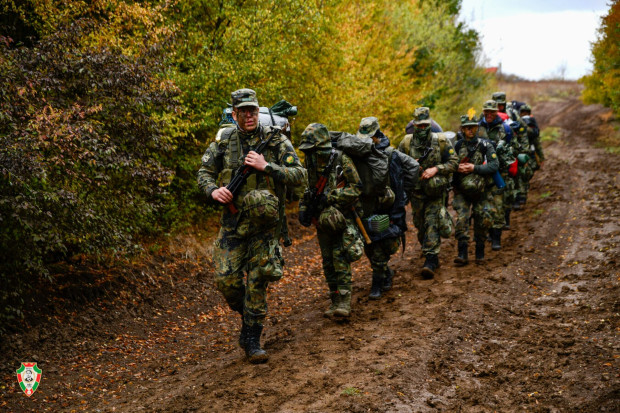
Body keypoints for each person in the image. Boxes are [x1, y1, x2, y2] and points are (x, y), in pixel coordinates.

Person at [197, 88, 305, 363]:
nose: (248, 115)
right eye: (243, 111)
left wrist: (266, 166)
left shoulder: (275, 141)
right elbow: (204, 173)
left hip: (265, 225)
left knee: (258, 281)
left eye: (253, 110)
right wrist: (212, 190)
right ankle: (247, 315)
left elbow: (299, 175)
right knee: (226, 281)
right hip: (233, 224)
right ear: (234, 114)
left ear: (258, 112)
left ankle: (253, 339)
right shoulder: (224, 141)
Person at [298, 123, 364, 318]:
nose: (311, 153)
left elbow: (356, 187)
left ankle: (344, 301)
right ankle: (334, 300)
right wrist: (304, 209)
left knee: (340, 258)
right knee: (327, 262)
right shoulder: (309, 162)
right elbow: (305, 189)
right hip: (321, 220)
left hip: (342, 217)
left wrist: (333, 197)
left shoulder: (340, 159)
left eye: (314, 149)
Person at [356, 117, 418, 299]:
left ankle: (377, 283)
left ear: (376, 135)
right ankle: (385, 273)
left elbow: (413, 168)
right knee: (369, 244)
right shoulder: (359, 152)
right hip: (367, 206)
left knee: (382, 244)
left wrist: (403, 193)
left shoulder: (391, 153)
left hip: (387, 207)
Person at [398, 107, 458, 278]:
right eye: (419, 126)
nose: (423, 129)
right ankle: (429, 251)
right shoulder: (406, 143)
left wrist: (436, 169)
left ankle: (431, 259)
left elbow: (454, 162)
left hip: (435, 192)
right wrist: (410, 165)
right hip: (416, 193)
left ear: (430, 123)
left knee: (432, 222)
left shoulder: (441, 141)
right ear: (414, 125)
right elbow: (396, 166)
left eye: (426, 125)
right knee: (420, 225)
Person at [452, 111, 499, 264]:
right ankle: (462, 253)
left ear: (477, 128)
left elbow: (494, 165)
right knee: (461, 220)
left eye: (473, 127)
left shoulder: (486, 145)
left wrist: (474, 168)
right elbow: (449, 165)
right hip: (462, 191)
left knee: (483, 218)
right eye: (467, 128)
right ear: (462, 130)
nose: (470, 130)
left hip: (482, 190)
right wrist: (457, 169)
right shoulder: (457, 146)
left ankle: (480, 253)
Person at [478, 100, 517, 250]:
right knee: (482, 207)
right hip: (481, 173)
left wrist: (502, 153)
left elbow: (514, 149)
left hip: (499, 172)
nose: (488, 114)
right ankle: (487, 232)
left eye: (492, 112)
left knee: (498, 206)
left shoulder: (505, 129)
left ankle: (496, 237)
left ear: (496, 112)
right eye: (486, 111)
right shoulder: (477, 127)